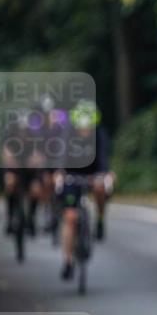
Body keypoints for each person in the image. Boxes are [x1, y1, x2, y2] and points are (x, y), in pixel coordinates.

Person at [55, 99, 114, 280]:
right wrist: (58, 174)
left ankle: (100, 218)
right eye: (82, 126)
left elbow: (104, 159)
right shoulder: (67, 135)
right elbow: (60, 159)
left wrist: (105, 176)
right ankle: (68, 261)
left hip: (93, 174)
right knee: (70, 217)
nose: (85, 130)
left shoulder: (99, 135)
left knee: (100, 188)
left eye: (88, 126)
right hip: (72, 176)